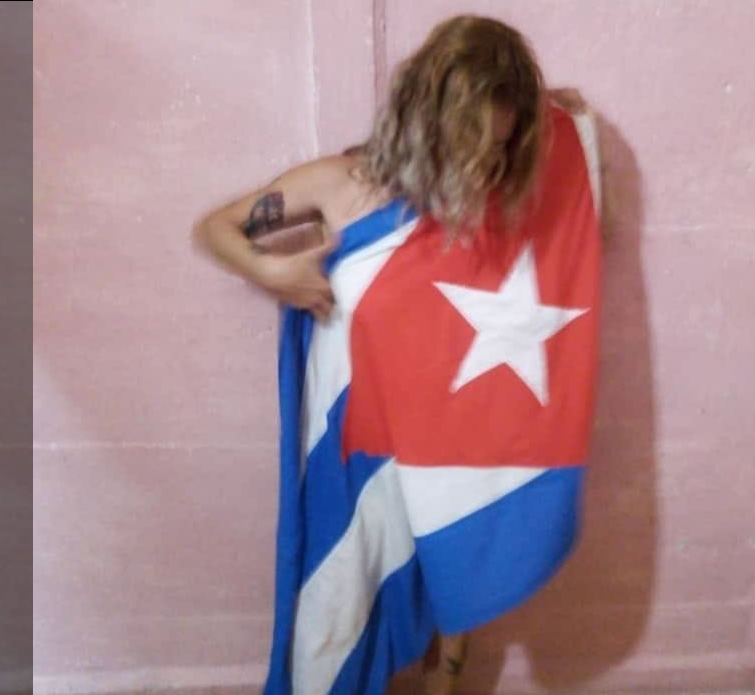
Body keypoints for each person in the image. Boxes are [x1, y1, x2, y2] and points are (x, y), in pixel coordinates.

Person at [193, 14, 588, 694]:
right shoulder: (343, 184)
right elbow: (216, 228)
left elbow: (563, 149)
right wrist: (272, 270)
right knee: (341, 596)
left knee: (454, 557)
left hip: (446, 433)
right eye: (467, 141)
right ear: (423, 117)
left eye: (498, 148)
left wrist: (550, 109)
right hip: (358, 442)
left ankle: (445, 681)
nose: (480, 164)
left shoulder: (493, 204)